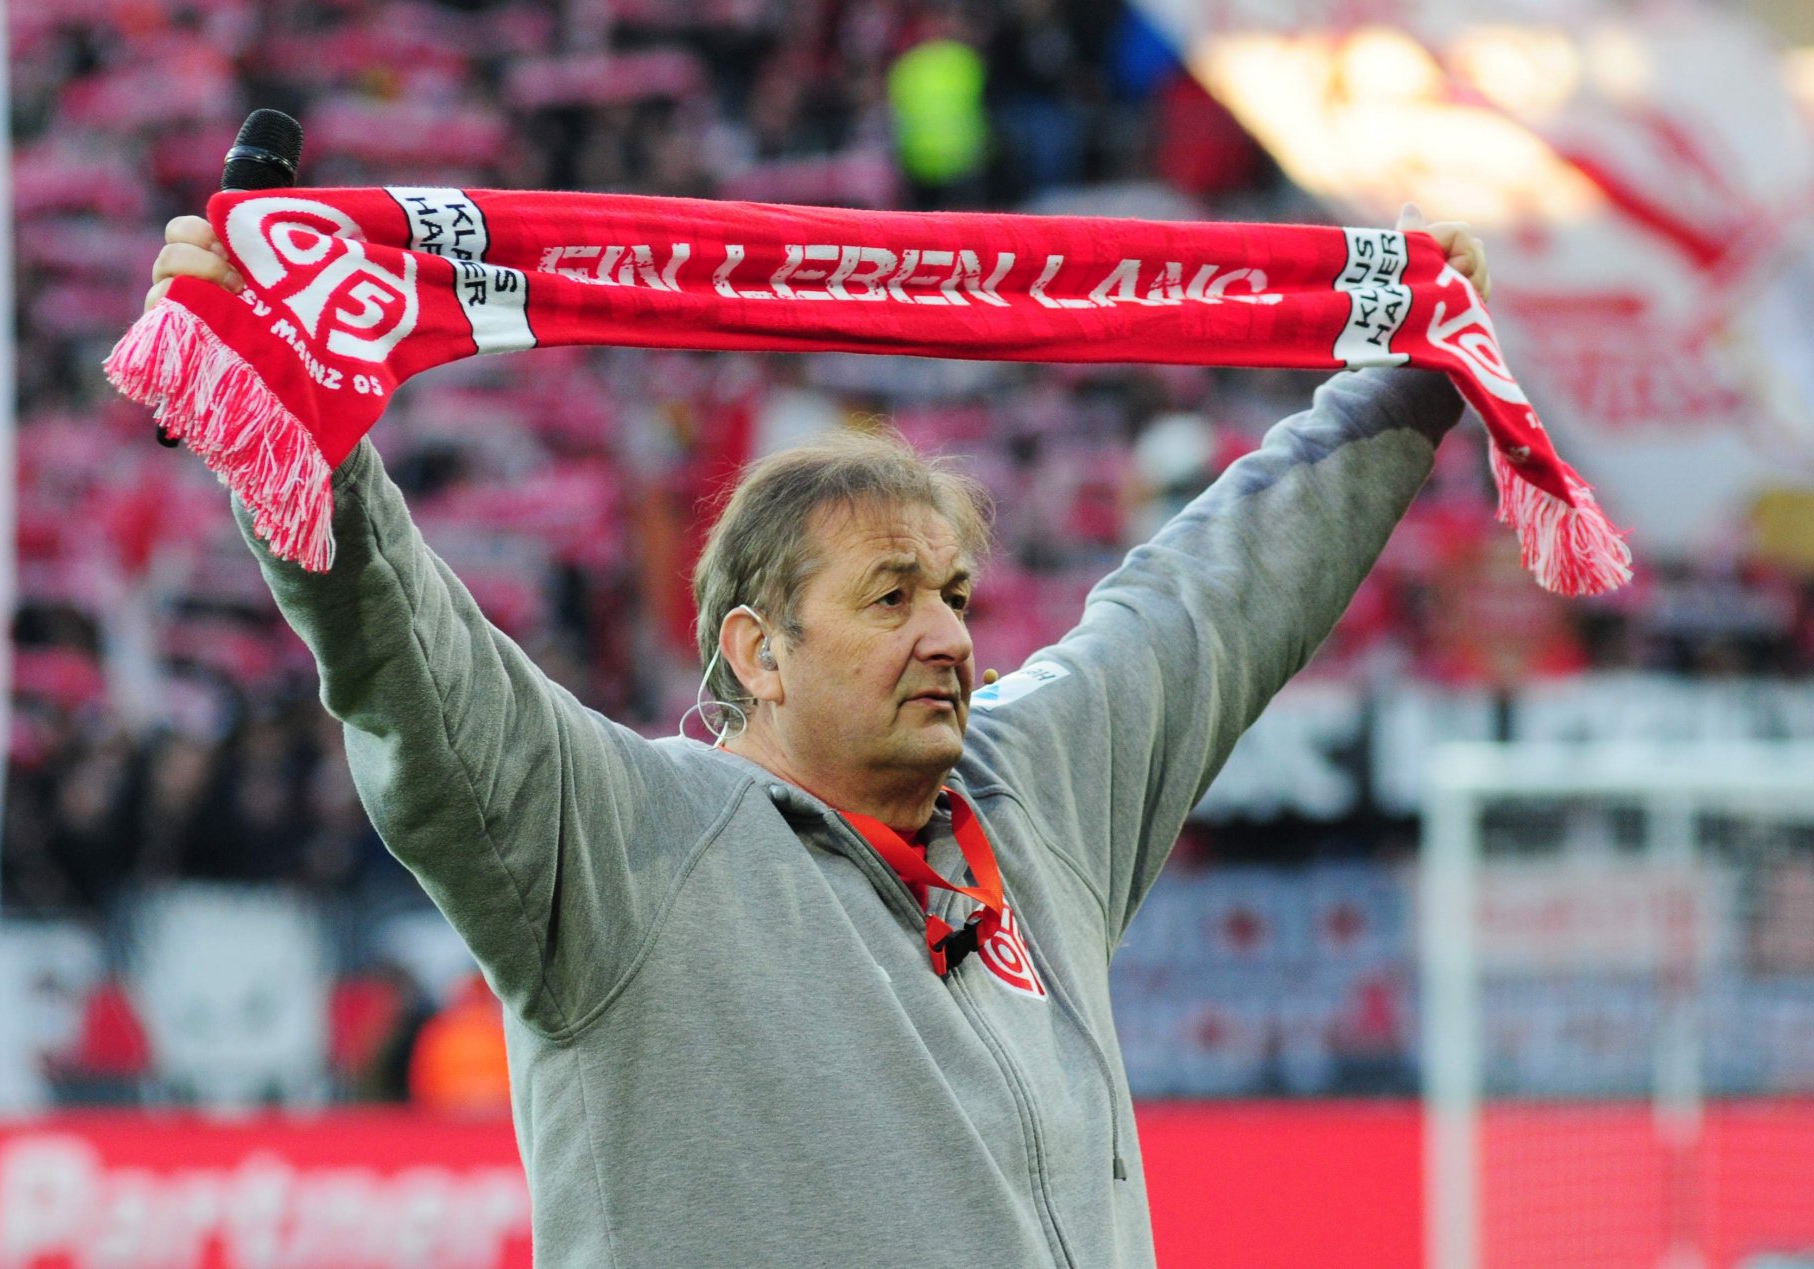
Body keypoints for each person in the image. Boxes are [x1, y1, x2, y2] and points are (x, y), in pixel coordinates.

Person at [146, 205, 1487, 1267]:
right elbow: (411, 664)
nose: (951, 637)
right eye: (890, 599)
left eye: (955, 596)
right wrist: (298, 414)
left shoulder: (1036, 796)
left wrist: (1403, 384)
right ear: (756, 652)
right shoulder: (622, 845)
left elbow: (1214, 595)